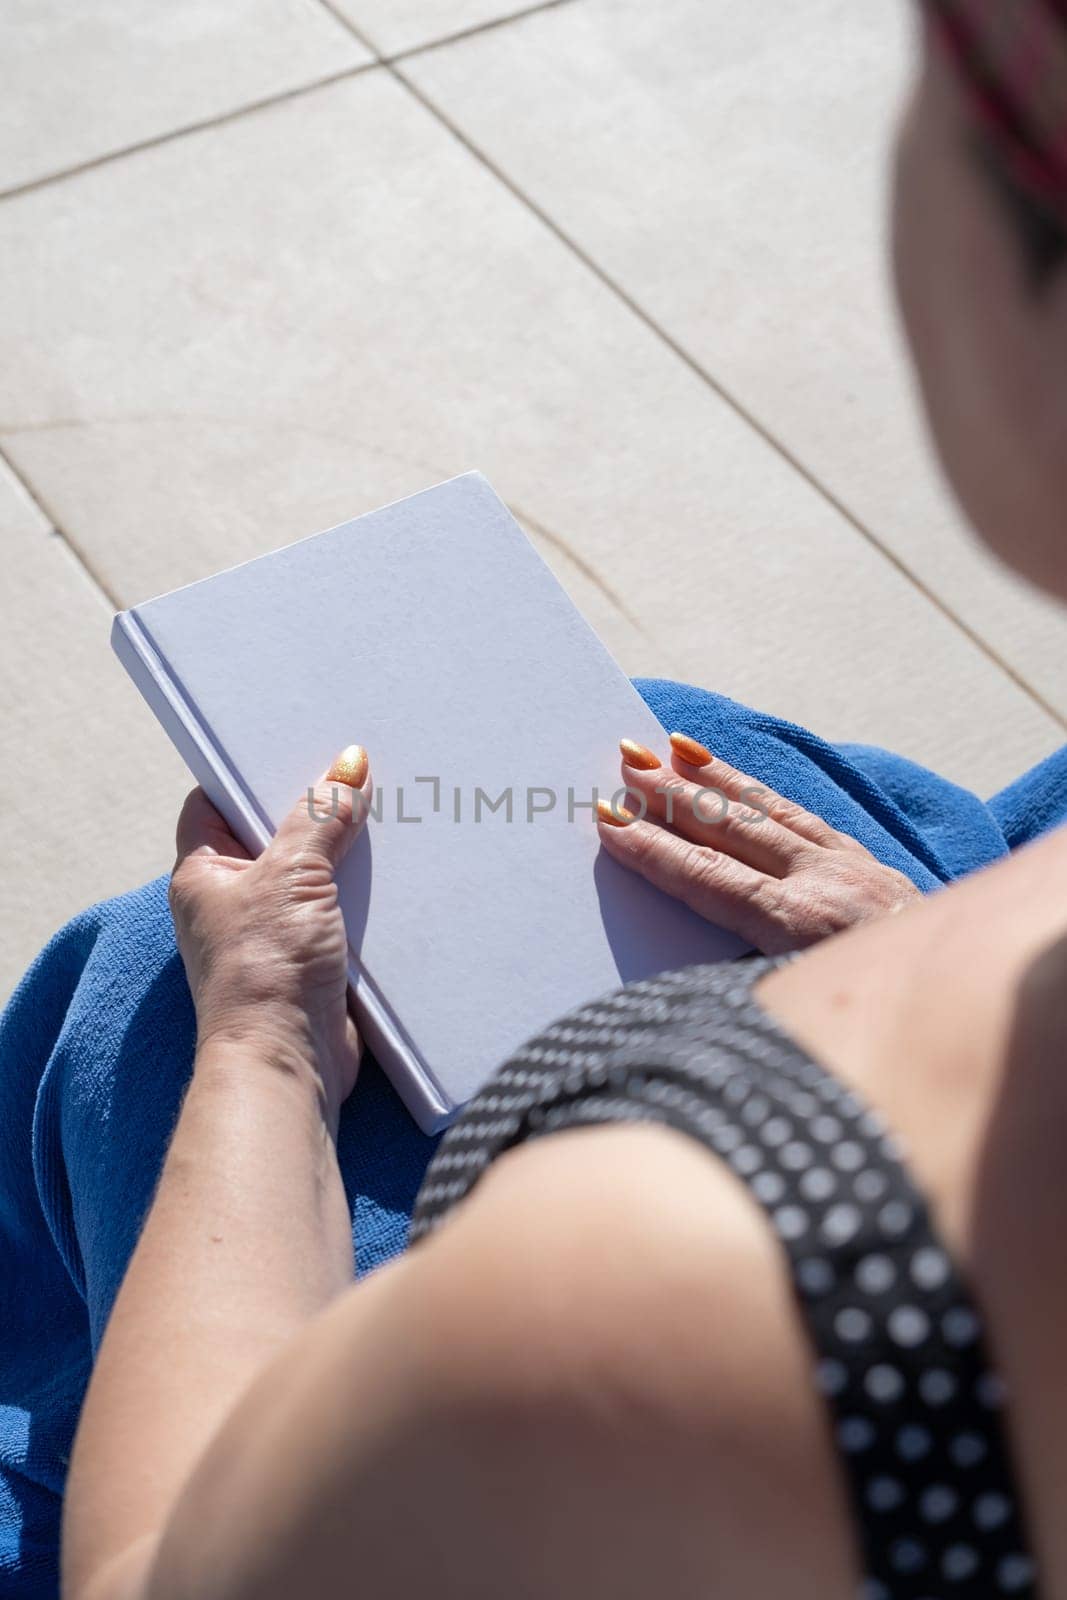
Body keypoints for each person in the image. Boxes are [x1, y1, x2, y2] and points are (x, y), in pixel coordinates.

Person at [5, 2, 1067, 1595]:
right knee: (694, 759)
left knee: (147, 985)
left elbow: (164, 1575)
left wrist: (266, 1046)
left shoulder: (672, 1292)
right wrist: (923, 933)